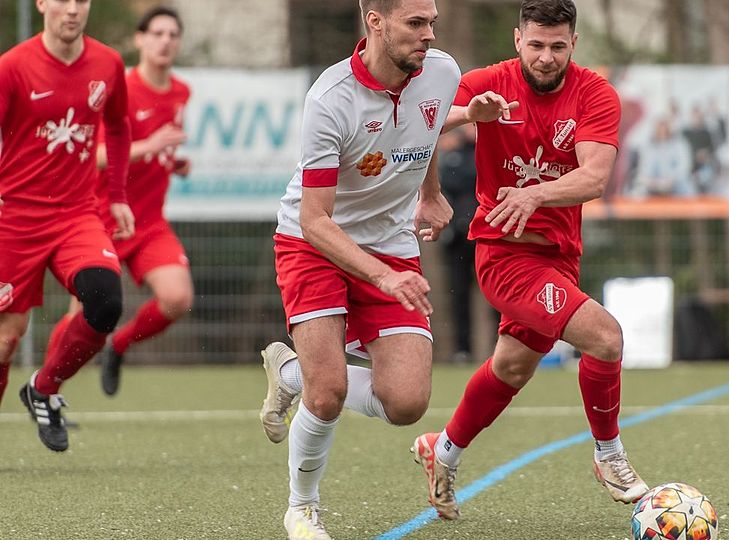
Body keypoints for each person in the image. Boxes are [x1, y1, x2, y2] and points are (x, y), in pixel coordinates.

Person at [410, 0, 648, 519]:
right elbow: (419, 121)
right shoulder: (488, 82)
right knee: (605, 337)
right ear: (518, 39)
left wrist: (535, 194)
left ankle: (441, 450)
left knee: (512, 367)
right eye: (536, 45)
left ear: (573, 44)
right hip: (504, 255)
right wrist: (436, 181)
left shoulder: (594, 93)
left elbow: (594, 177)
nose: (545, 57)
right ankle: (609, 455)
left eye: (557, 46)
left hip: (559, 257)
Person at [257, 0, 459, 537]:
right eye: (415, 23)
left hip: (391, 243)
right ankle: (302, 508)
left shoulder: (441, 71)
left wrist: (431, 193)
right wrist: (383, 276)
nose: (428, 35)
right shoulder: (330, 98)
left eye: (432, 23)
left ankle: (291, 372)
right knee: (328, 392)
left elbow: (426, 126)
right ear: (376, 22)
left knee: (408, 403)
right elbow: (315, 220)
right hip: (313, 244)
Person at [0, 0, 133, 452]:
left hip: (77, 215)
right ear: (41, 4)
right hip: (15, 217)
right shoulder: (13, 67)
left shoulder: (108, 63)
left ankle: (43, 388)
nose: (73, 9)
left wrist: (117, 196)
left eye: (82, 0)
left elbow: (118, 127)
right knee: (6, 340)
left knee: (105, 301)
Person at [50, 6, 193, 397]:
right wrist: (149, 146)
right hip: (102, 218)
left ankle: (119, 346)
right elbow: (95, 155)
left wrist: (172, 162)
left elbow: (155, 152)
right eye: (157, 33)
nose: (165, 41)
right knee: (82, 313)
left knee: (178, 297)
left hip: (149, 223)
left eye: (172, 34)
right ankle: (47, 391)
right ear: (139, 40)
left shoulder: (181, 92)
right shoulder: (120, 89)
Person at [438, 124, 482, 363]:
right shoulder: (452, 154)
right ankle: (462, 349)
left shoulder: (487, 150)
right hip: (459, 236)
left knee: (499, 294)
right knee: (459, 294)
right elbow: (448, 182)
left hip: (487, 234)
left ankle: (501, 345)